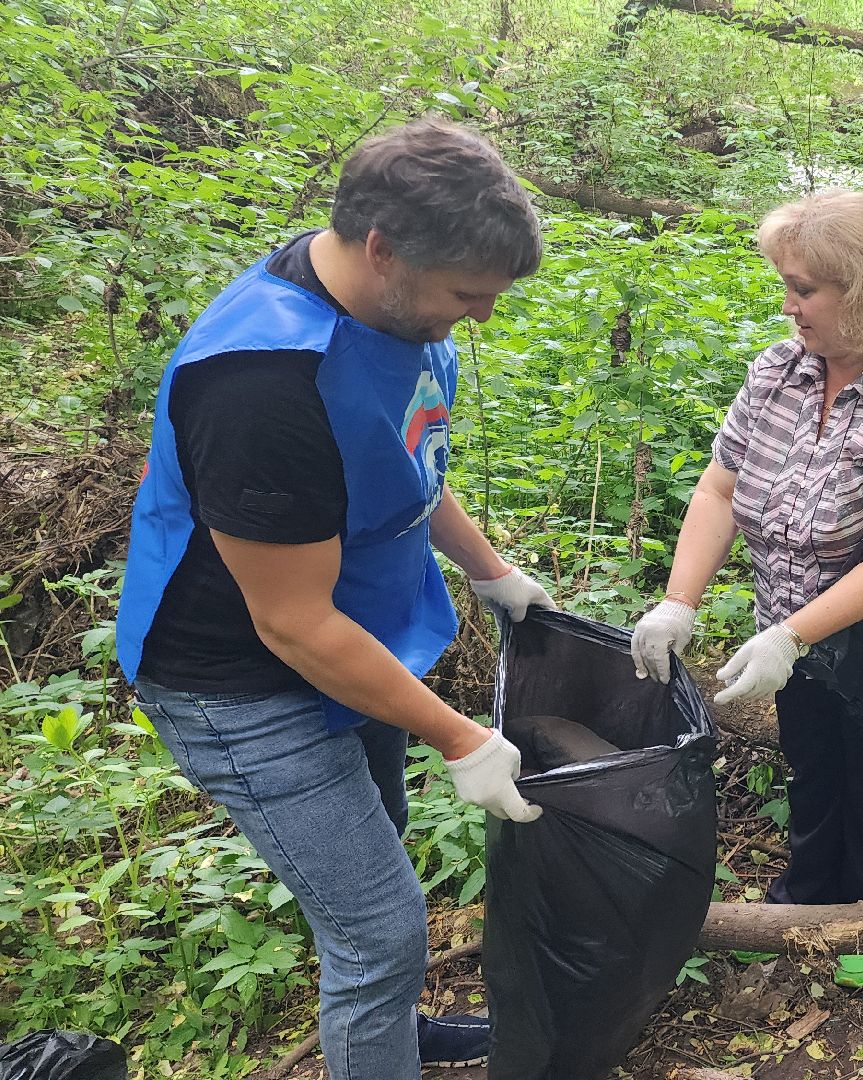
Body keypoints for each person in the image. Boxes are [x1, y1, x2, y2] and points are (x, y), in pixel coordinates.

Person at [115, 118, 552, 1077]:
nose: (481, 317)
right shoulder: (263, 384)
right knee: (380, 929)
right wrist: (462, 739)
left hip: (360, 640)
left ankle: (389, 1034)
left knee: (378, 852)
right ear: (381, 249)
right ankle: (378, 1029)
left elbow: (407, 457)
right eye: (467, 295)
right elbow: (292, 622)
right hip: (242, 685)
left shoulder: (393, 308)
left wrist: (491, 572)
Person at [628, 188, 863, 987]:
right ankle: (806, 898)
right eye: (786, 285)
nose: (787, 305)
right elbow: (720, 488)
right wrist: (679, 600)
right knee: (813, 762)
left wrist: (795, 636)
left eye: (804, 289)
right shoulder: (778, 372)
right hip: (785, 629)